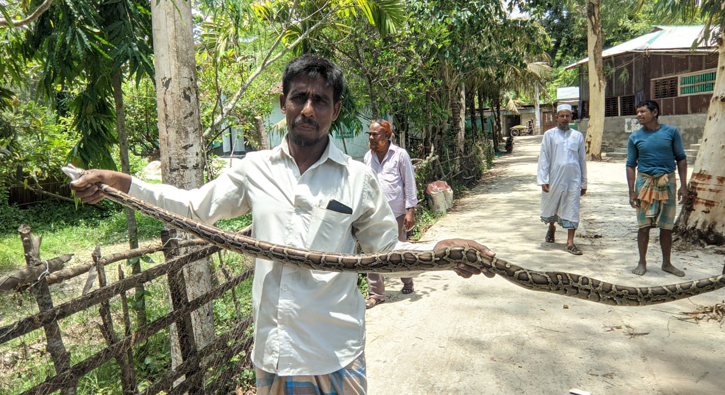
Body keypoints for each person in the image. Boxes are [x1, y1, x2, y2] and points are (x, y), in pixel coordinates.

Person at [69, 54, 495, 395]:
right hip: (272, 356)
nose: (308, 109)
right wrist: (123, 184)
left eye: (320, 100)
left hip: (335, 356)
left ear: (336, 110)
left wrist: (443, 253)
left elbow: (385, 255)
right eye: (299, 98)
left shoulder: (357, 179)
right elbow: (195, 209)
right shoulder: (253, 168)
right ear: (284, 104)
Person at [626, 100, 688, 277]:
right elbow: (630, 165)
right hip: (644, 184)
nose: (639, 115)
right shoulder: (635, 137)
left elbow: (681, 159)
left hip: (667, 182)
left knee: (666, 226)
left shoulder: (671, 132)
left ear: (655, 112)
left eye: (643, 111)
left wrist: (684, 186)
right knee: (643, 226)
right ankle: (642, 262)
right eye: (637, 112)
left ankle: (667, 263)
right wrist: (631, 191)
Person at [363, 119, 417, 309]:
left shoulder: (400, 155)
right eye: (369, 134)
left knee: (399, 249)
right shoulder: (367, 157)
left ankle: (407, 281)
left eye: (375, 134)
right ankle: (376, 294)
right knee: (371, 252)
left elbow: (409, 183)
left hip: (396, 213)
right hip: (373, 214)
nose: (371, 137)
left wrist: (410, 210)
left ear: (387, 136)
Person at [537, 104, 587, 255]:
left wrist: (584, 182)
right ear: (556, 117)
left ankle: (570, 242)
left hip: (573, 178)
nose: (565, 119)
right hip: (554, 177)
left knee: (572, 207)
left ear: (571, 117)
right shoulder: (549, 135)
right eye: (562, 116)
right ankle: (551, 227)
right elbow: (544, 158)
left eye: (568, 116)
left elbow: (582, 159)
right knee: (553, 203)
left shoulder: (577, 136)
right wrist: (543, 179)